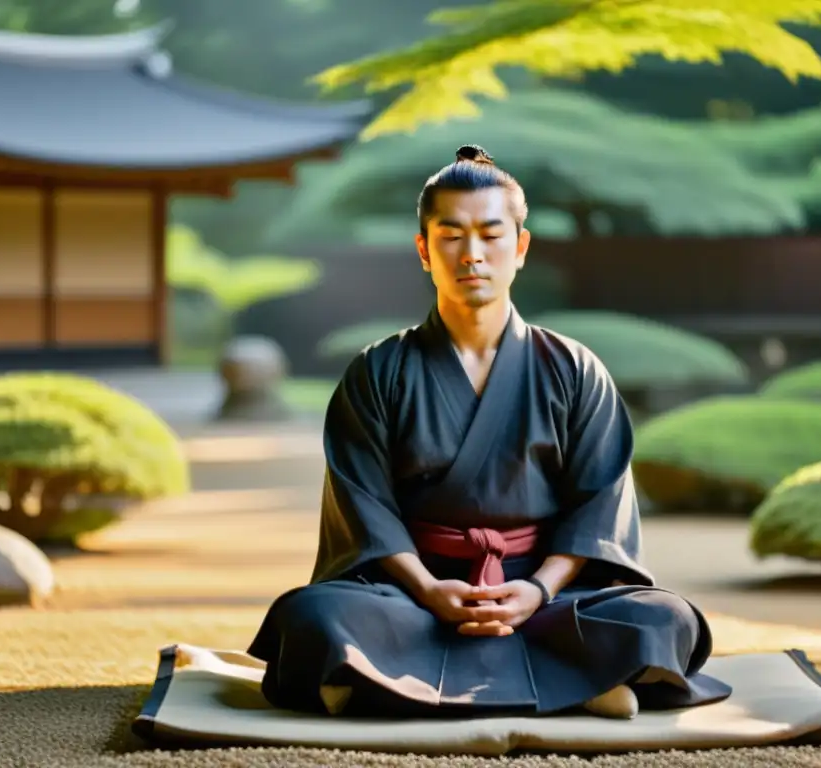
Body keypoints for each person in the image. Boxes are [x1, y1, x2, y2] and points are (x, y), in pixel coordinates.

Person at [246, 144, 731, 720]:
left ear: (520, 247)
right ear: (424, 250)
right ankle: (585, 681)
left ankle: (378, 685)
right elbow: (364, 506)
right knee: (313, 616)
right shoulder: (378, 371)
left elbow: (598, 507)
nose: (471, 254)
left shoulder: (574, 369)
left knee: (660, 617)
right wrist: (430, 589)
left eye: (491, 234)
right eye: (451, 235)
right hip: (412, 595)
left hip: (546, 594)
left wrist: (539, 591)